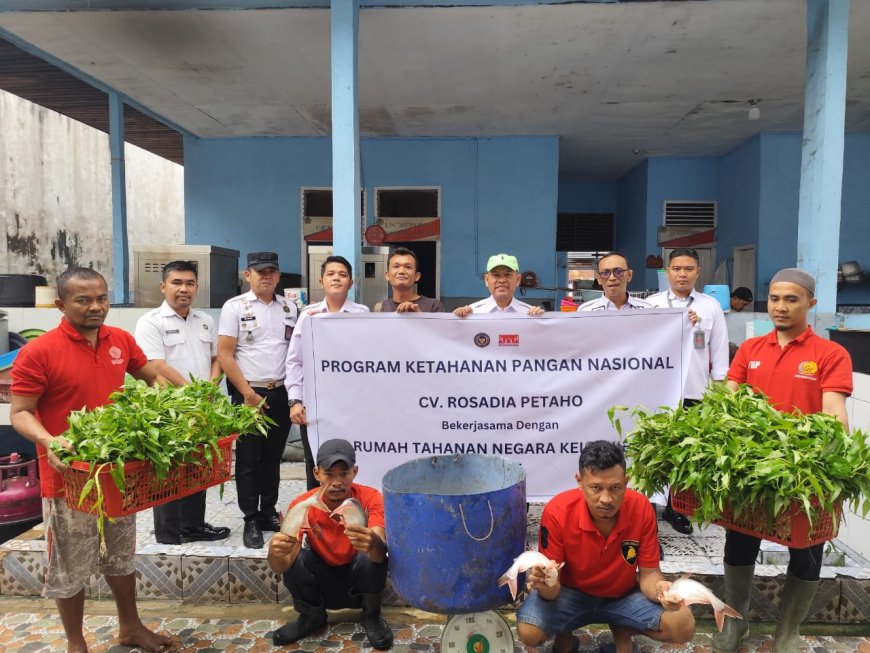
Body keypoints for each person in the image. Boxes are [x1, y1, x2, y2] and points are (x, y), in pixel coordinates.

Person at [10, 267, 175, 653]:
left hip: (117, 472)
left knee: (120, 555)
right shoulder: (38, 352)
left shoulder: (120, 339)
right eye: (83, 300)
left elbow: (149, 373)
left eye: (101, 298)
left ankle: (130, 627)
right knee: (68, 565)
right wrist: (50, 440)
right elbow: (20, 412)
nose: (95, 307)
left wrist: (171, 401)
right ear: (61, 304)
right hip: (68, 477)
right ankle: (75, 641)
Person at [715, 268, 852, 653]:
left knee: (807, 551)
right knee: (738, 544)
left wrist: (822, 456)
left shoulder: (830, 354)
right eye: (774, 298)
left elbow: (834, 414)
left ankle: (787, 633)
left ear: (811, 303)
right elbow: (728, 407)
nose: (780, 307)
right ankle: (735, 626)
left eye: (791, 299)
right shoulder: (750, 350)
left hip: (803, 473)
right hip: (751, 471)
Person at [516, 440, 695, 653]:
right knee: (529, 631)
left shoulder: (641, 508)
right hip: (570, 594)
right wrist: (546, 586)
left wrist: (661, 591)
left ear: (626, 482)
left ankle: (623, 630)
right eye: (596, 488)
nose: (606, 499)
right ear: (580, 482)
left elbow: (649, 574)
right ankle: (565, 637)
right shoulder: (557, 511)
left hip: (622, 596)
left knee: (683, 624)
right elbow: (554, 586)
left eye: (615, 488)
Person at [134, 260, 230, 545]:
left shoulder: (205, 320)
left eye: (189, 283)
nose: (183, 289)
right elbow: (156, 364)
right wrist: (191, 392)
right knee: (167, 468)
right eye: (176, 283)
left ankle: (193, 525)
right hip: (169, 408)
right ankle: (168, 531)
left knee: (198, 465)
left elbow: (216, 359)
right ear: (163, 286)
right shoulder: (151, 322)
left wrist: (211, 386)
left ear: (197, 287)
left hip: (201, 407)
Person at [267, 438, 393, 649]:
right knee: (297, 559)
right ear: (316, 474)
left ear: (355, 471)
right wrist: (274, 551)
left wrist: (373, 543)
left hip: (358, 583)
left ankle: (371, 615)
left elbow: (378, 556)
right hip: (323, 584)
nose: (337, 482)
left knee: (372, 548)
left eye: (344, 474)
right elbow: (282, 566)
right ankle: (311, 616)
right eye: (329, 474)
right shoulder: (302, 505)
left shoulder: (372, 498)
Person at [218, 251, 298, 549]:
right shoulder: (234, 307)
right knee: (249, 459)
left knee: (272, 458)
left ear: (278, 276)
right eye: (260, 271)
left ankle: (268, 512)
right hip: (249, 393)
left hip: (280, 392)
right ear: (247, 275)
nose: (266, 276)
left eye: (272, 272)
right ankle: (250, 517)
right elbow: (225, 354)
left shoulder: (290, 307)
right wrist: (248, 394)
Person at [647, 248, 729, 535]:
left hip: (694, 391)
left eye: (688, 269)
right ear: (667, 271)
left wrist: (719, 395)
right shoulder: (652, 306)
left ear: (698, 272)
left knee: (685, 453)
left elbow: (719, 352)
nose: (682, 274)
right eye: (677, 268)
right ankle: (647, 506)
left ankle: (676, 507)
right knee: (654, 450)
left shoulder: (710, 307)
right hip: (656, 393)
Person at [286, 256, 369, 490]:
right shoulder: (308, 316)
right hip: (315, 405)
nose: (336, 278)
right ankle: (317, 515)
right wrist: (295, 400)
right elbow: (294, 361)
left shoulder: (362, 314)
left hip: (351, 404)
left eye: (342, 274)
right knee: (317, 459)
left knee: (350, 457)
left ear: (351, 282)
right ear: (321, 280)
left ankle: (351, 512)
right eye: (331, 274)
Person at [453, 253, 545, 316]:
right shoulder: (472, 313)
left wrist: (540, 322)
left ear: (517, 279)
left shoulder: (529, 314)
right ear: (486, 279)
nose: (502, 280)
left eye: (508, 275)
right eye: (496, 275)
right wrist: (457, 321)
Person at [373, 246, 443, 313]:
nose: (401, 271)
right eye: (396, 266)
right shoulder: (380, 308)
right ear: (387, 275)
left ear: (417, 276)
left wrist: (419, 316)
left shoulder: (433, 306)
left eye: (408, 267)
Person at [577, 252, 651, 311]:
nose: (612, 278)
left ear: (629, 275)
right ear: (599, 278)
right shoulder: (586, 311)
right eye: (605, 273)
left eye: (618, 271)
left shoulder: (646, 309)